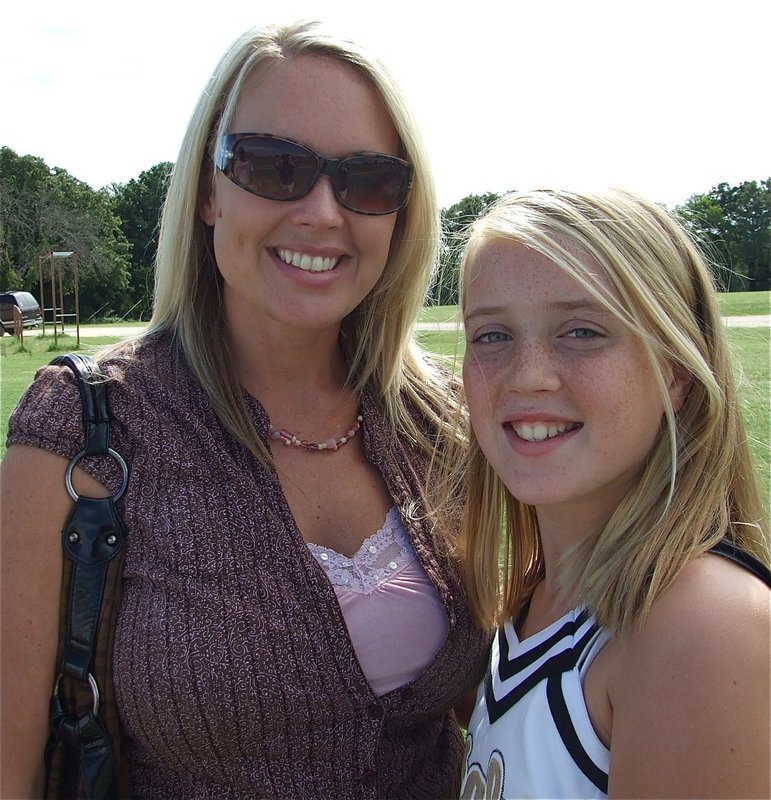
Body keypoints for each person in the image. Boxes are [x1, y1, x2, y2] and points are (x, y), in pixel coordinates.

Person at [0, 21, 490, 799]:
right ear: (206, 190)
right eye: (274, 166)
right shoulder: (85, 429)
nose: (324, 213)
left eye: (366, 180)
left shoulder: (451, 420)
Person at [442, 188, 770, 799]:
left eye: (582, 331)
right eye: (491, 336)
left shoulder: (700, 625)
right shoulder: (536, 601)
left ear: (675, 370)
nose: (529, 373)